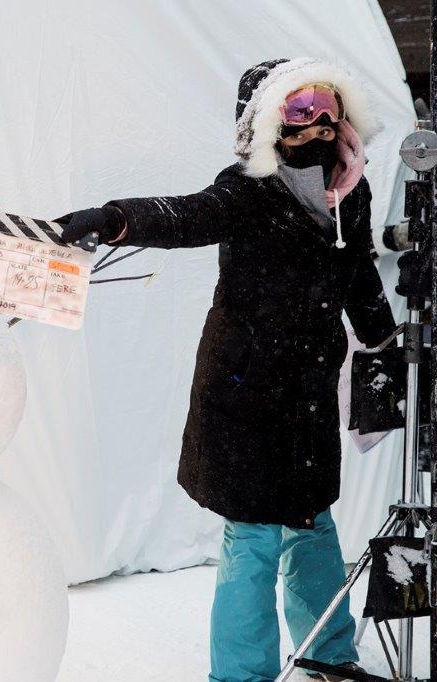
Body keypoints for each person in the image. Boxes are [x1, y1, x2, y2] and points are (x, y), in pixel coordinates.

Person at [56, 58, 395, 682]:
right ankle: (241, 675)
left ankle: (327, 652)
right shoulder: (247, 190)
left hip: (310, 391)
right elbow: (187, 215)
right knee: (255, 537)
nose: (319, 123)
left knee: (313, 523)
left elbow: (358, 273)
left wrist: (383, 342)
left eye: (328, 106)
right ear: (265, 124)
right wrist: (112, 219)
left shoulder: (351, 189)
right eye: (299, 109)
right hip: (246, 393)